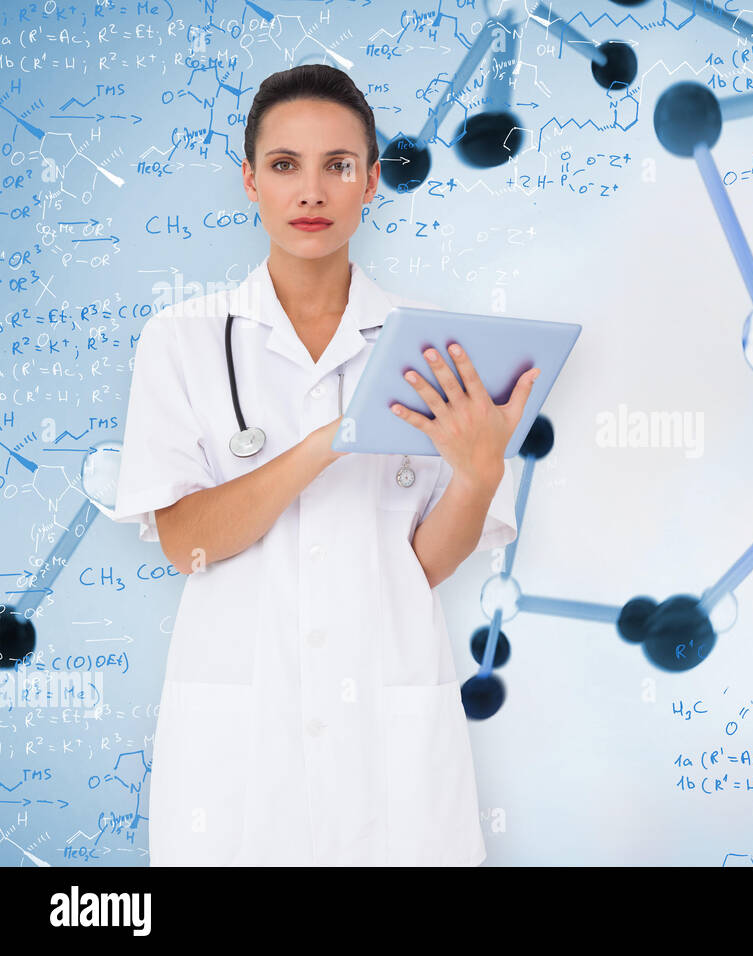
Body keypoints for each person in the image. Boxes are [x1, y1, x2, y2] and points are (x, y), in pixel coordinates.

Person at [110, 64, 538, 865]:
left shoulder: (437, 348)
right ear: (249, 181)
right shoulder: (182, 340)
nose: (312, 192)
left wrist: (478, 474)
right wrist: (325, 441)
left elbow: (423, 566)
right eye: (285, 165)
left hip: (389, 744)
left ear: (372, 181)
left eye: (338, 166)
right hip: (239, 749)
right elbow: (184, 543)